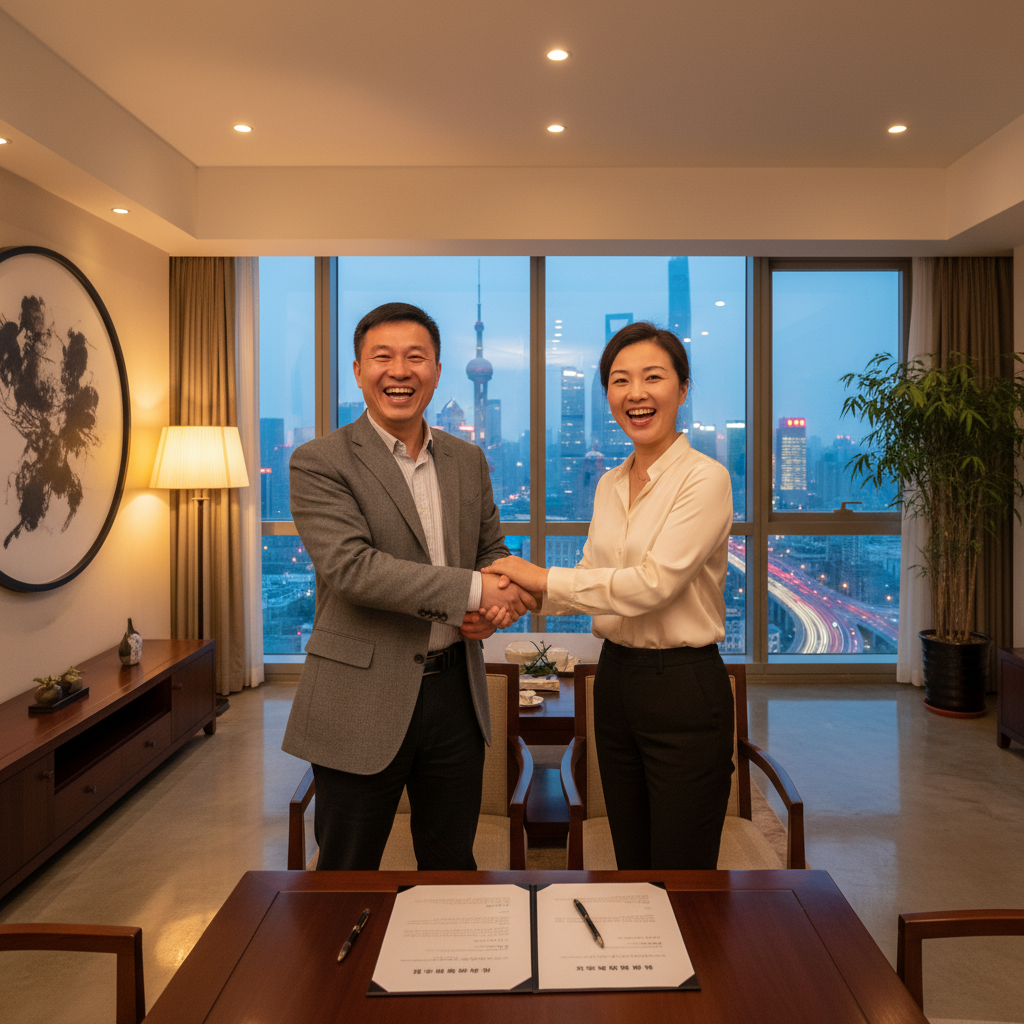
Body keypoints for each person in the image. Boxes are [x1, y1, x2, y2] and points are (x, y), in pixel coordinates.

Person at [282, 301, 536, 871]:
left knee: (450, 864)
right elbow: (353, 568)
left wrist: (494, 609)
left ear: (438, 372)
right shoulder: (320, 461)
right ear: (358, 371)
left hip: (455, 697)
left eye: (415, 357)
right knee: (347, 872)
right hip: (358, 697)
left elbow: (491, 552)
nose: (400, 371)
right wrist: (473, 592)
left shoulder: (468, 460)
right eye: (383, 357)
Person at [483, 321, 734, 870]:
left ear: (682, 388)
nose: (636, 393)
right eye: (621, 381)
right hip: (614, 680)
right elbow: (596, 581)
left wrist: (541, 577)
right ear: (608, 397)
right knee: (632, 865)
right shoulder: (609, 483)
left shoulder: (704, 479)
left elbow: (651, 585)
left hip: (685, 689)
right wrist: (520, 596)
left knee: (682, 871)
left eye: (653, 377)